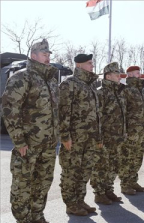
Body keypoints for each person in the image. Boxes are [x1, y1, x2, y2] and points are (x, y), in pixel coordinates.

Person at [2, 39, 59, 223]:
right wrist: (19, 140)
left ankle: (37, 215)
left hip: (49, 145)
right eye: (44, 54)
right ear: (33, 56)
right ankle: (23, 219)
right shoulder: (22, 77)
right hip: (28, 144)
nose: (48, 58)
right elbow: (10, 109)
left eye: (49, 54)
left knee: (43, 183)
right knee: (23, 185)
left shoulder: (50, 80)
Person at [59, 53, 102, 216]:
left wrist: (98, 137)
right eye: (89, 63)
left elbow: (96, 114)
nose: (92, 65)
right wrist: (65, 136)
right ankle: (71, 203)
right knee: (71, 171)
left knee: (85, 171)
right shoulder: (69, 84)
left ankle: (79, 200)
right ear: (79, 65)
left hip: (89, 138)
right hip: (75, 138)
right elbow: (63, 112)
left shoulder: (90, 85)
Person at [90, 62, 125, 205]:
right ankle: (99, 193)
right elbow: (96, 117)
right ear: (108, 76)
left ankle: (108, 189)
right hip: (104, 137)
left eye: (119, 74)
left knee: (114, 164)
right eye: (117, 75)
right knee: (101, 166)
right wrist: (99, 137)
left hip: (117, 137)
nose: (119, 77)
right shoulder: (101, 92)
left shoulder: (119, 93)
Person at [118, 66, 144, 195]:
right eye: (137, 73)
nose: (139, 75)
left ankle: (133, 181)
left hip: (140, 131)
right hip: (130, 131)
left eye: (139, 73)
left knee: (138, 157)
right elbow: (122, 112)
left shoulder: (140, 91)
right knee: (127, 158)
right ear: (129, 75)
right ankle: (125, 184)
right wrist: (125, 130)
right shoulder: (126, 90)